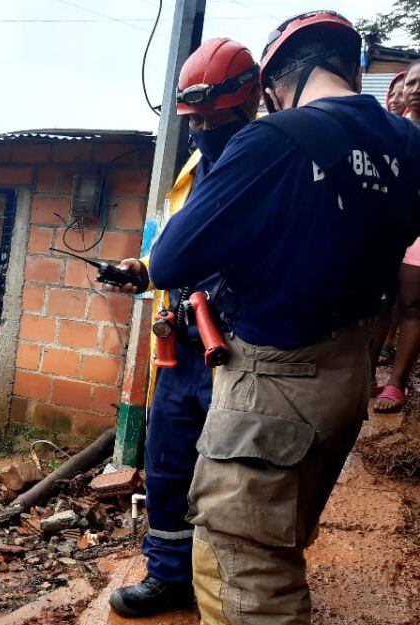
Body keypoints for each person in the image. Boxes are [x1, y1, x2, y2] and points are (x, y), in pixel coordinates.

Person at [143, 11, 420, 624]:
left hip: (274, 381)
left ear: (271, 88)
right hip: (348, 373)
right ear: (352, 67)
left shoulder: (273, 141)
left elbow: (169, 261)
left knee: (245, 570)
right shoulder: (408, 145)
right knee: (279, 536)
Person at [105, 38, 262, 618]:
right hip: (182, 347)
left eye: (206, 116)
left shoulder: (267, 161)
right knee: (168, 464)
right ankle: (170, 577)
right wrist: (141, 269)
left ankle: (233, 592)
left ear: (245, 101)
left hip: (243, 349)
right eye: (189, 116)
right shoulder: (197, 163)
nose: (196, 127)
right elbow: (183, 242)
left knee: (236, 479)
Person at [373, 60, 420, 412]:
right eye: (412, 82)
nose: (416, 89)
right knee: (379, 301)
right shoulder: (389, 130)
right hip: (388, 227)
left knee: (413, 304)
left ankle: (397, 381)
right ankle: (365, 375)